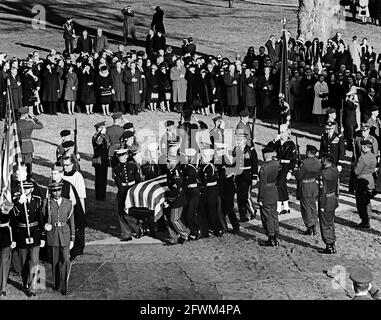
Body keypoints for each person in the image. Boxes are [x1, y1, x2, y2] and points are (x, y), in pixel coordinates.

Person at [10, 180, 44, 297]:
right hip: (22, 234)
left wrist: (43, 236)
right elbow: (13, 218)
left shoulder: (37, 201)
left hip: (35, 234)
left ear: (32, 189)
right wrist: (19, 203)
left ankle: (33, 287)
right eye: (23, 188)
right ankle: (26, 284)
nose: (25, 191)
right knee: (24, 262)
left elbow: (41, 219)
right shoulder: (17, 201)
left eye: (28, 188)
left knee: (35, 260)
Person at [45, 181, 74, 295]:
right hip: (52, 235)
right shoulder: (46, 203)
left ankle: (65, 286)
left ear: (61, 190)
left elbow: (72, 222)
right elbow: (43, 218)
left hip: (65, 235)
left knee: (66, 260)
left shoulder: (68, 203)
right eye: (54, 191)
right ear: (51, 191)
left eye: (59, 190)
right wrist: (45, 226)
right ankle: (57, 284)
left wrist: (72, 238)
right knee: (55, 261)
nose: (57, 193)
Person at [113, 148, 142, 241]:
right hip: (122, 192)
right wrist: (123, 194)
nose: (120, 158)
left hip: (132, 191)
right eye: (119, 156)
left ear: (126, 155)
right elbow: (118, 183)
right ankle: (127, 234)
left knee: (132, 213)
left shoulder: (133, 166)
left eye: (122, 156)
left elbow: (138, 180)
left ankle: (139, 228)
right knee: (121, 214)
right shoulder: (116, 169)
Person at [163, 153, 191, 245]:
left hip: (177, 199)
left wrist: (169, 200)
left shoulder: (176, 174)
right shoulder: (170, 171)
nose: (167, 163)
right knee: (172, 219)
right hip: (175, 198)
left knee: (174, 219)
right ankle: (176, 236)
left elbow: (176, 189)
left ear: (175, 162)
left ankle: (185, 233)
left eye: (169, 161)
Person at [295, 145, 321, 236]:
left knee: (305, 207)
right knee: (312, 206)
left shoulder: (305, 163)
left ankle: (309, 227)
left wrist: (297, 169)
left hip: (305, 186)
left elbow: (299, 176)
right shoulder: (318, 162)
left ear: (308, 152)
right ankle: (314, 225)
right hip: (313, 185)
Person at [198, 148, 224, 238]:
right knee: (208, 210)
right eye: (203, 155)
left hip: (210, 191)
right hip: (209, 190)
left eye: (205, 156)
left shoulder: (209, 167)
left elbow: (205, 181)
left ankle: (215, 229)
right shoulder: (205, 166)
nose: (202, 157)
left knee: (209, 210)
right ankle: (214, 228)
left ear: (210, 158)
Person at [258, 145, 280, 246]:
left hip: (266, 193)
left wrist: (260, 198)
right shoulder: (276, 164)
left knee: (267, 216)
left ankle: (271, 237)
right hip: (274, 191)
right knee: (274, 214)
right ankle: (275, 235)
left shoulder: (264, 168)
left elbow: (262, 185)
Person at [233, 132, 258, 222]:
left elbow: (255, 164)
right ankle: (243, 216)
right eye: (237, 140)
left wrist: (254, 177)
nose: (238, 142)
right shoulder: (236, 150)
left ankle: (252, 210)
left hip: (247, 175)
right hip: (239, 176)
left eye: (240, 140)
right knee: (240, 197)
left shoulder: (250, 150)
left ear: (244, 140)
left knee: (245, 196)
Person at [317, 153, 339, 254]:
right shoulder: (334, 170)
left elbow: (323, 190)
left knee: (325, 224)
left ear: (325, 160)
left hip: (326, 200)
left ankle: (329, 245)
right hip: (333, 198)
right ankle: (332, 243)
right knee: (330, 223)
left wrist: (322, 205)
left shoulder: (324, 173)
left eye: (322, 159)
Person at [273, 124, 296, 215]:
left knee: (279, 184)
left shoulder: (291, 144)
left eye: (282, 132)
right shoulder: (278, 142)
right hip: (279, 165)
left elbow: (294, 159)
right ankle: (286, 207)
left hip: (286, 166)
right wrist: (275, 140)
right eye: (280, 132)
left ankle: (278, 208)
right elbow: (270, 149)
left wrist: (290, 171)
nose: (281, 134)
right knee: (282, 186)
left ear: (287, 132)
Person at [354, 140, 377, 228]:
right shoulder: (373, 156)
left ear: (364, 147)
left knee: (361, 202)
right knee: (367, 201)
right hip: (370, 179)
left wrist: (354, 166)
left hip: (362, 180)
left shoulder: (363, 158)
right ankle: (367, 219)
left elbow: (357, 171)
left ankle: (364, 220)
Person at [17, 107, 43, 178]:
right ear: (26, 114)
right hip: (28, 145)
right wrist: (35, 119)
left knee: (19, 162)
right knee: (28, 163)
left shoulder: (16, 123)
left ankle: (20, 177)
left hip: (19, 145)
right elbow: (41, 126)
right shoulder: (30, 123)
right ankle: (28, 176)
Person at [182, 148, 201, 239]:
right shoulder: (189, 167)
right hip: (192, 191)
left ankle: (196, 230)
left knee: (190, 213)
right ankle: (194, 230)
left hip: (193, 192)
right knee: (189, 212)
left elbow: (186, 182)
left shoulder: (189, 168)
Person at [92, 121, 110, 201]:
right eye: (103, 127)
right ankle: (99, 196)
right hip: (98, 160)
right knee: (99, 179)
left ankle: (102, 196)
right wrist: (102, 134)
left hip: (104, 159)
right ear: (99, 128)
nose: (105, 128)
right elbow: (98, 143)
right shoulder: (96, 136)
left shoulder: (103, 135)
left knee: (103, 179)